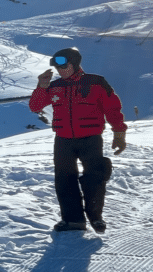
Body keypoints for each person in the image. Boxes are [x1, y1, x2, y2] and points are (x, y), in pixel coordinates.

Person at [29, 47, 127, 234]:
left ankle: (95, 217)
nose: (60, 71)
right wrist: (41, 86)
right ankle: (73, 220)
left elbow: (112, 108)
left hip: (90, 138)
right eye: (58, 68)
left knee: (94, 176)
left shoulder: (96, 82)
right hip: (63, 140)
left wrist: (119, 133)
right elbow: (35, 106)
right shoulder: (55, 87)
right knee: (64, 180)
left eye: (64, 66)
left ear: (74, 63)